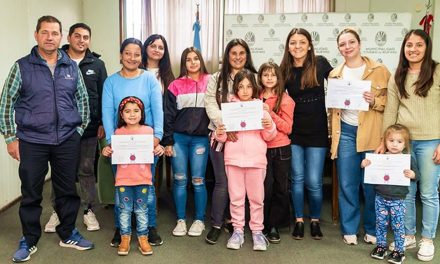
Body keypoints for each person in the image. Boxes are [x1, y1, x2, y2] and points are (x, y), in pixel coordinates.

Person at [0, 15, 93, 263]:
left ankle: (67, 233)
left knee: (66, 191)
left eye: (54, 33)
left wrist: (78, 130)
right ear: (36, 35)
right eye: (45, 32)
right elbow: (6, 103)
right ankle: (29, 239)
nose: (50, 37)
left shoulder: (71, 67)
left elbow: (82, 100)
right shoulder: (21, 66)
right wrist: (10, 137)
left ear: (61, 36)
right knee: (31, 192)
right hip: (32, 140)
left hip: (66, 140)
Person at [381, 29, 440, 262]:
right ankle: (408, 235)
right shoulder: (398, 75)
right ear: (403, 48)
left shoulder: (437, 71)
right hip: (402, 144)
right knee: (406, 192)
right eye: (408, 45)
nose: (413, 49)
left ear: (427, 48)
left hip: (430, 141)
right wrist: (383, 142)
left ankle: (427, 238)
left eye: (418, 45)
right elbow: (390, 112)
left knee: (428, 193)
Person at [329, 28, 391, 245]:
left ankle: (372, 228)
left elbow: (391, 105)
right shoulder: (335, 74)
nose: (347, 47)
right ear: (339, 48)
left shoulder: (380, 70)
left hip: (372, 133)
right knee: (347, 183)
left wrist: (375, 100)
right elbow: (333, 111)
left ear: (359, 43)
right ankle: (349, 229)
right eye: (343, 44)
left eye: (351, 42)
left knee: (371, 184)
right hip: (345, 132)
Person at [44, 22, 107, 233]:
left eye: (86, 37)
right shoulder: (56, 61)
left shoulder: (97, 65)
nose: (81, 40)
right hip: (60, 129)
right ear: (68, 38)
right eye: (77, 36)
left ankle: (88, 209)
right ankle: (58, 210)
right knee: (61, 171)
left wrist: (102, 124)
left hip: (89, 130)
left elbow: (103, 97)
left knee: (86, 170)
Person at [102, 38, 163, 248]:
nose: (132, 58)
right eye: (128, 53)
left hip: (147, 141)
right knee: (122, 186)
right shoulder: (110, 82)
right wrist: (111, 141)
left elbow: (158, 109)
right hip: (120, 143)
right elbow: (108, 113)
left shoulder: (149, 80)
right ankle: (122, 229)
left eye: (137, 54)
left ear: (141, 56)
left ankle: (150, 227)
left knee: (148, 185)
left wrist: (157, 137)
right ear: (121, 55)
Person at [214, 69, 276, 251]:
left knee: (257, 199)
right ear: (235, 89)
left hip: (256, 161)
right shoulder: (229, 109)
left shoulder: (260, 108)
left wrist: (269, 124)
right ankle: (238, 230)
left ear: (254, 87)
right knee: (236, 198)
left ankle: (257, 231)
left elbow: (270, 136)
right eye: (241, 87)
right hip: (233, 160)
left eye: (249, 86)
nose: (245, 90)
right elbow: (222, 136)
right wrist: (219, 133)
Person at [280, 28, 332, 240]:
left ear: (309, 45)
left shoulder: (321, 63)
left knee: (314, 181)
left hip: (318, 131)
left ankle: (316, 220)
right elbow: (273, 94)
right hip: (294, 132)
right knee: (297, 179)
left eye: (302, 42)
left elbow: (342, 82)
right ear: (288, 46)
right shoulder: (284, 69)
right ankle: (300, 220)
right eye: (293, 42)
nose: (298, 46)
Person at [204, 38, 257, 244]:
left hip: (247, 139)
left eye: (241, 53)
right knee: (223, 182)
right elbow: (210, 102)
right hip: (220, 133)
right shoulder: (216, 78)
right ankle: (217, 223)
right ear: (227, 56)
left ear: (247, 55)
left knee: (243, 184)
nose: (237, 57)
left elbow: (257, 103)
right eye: (233, 53)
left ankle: (236, 223)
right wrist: (226, 123)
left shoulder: (254, 77)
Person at [102, 96, 164, 256]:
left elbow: (156, 150)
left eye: (136, 111)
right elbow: (111, 152)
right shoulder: (117, 133)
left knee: (142, 210)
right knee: (124, 210)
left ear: (142, 113)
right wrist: (106, 151)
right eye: (127, 111)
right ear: (121, 115)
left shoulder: (149, 131)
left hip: (143, 179)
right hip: (123, 180)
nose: (132, 114)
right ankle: (125, 238)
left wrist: (159, 149)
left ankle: (143, 238)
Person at [163, 47, 210, 237]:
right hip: (179, 140)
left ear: (201, 60)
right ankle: (181, 220)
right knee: (179, 179)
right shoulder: (175, 85)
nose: (192, 62)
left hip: (201, 140)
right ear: (184, 63)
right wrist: (167, 141)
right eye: (188, 59)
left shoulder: (211, 81)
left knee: (198, 180)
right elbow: (168, 116)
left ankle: (199, 220)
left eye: (196, 58)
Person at [363, 124, 416, 264]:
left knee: (398, 226)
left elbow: (418, 175)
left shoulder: (407, 159)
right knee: (380, 224)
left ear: (405, 144)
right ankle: (381, 247)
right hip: (380, 197)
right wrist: (365, 164)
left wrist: (413, 174)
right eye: (391, 140)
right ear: (385, 141)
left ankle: (399, 251)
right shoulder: (379, 157)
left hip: (398, 200)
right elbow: (369, 170)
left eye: (399, 142)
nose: (394, 145)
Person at [142, 34, 175, 245]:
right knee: (143, 170)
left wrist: (165, 135)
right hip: (140, 129)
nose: (156, 50)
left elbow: (169, 108)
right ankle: (141, 206)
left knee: (158, 167)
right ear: (145, 48)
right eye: (153, 46)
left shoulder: (169, 76)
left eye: (160, 47)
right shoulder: (138, 71)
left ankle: (154, 205)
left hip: (162, 129)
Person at [258, 62, 295, 243]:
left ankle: (275, 225)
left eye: (273, 75)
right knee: (265, 187)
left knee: (281, 188)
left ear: (278, 78)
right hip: (260, 148)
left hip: (280, 149)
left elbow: (287, 128)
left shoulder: (286, 99)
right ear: (260, 77)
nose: (269, 78)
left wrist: (270, 113)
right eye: (266, 75)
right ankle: (261, 223)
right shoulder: (255, 97)